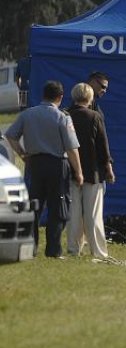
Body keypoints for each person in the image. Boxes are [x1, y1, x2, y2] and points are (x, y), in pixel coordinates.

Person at [4, 80, 83, 258]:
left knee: (34, 207)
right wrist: (78, 172)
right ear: (60, 97)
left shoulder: (28, 114)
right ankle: (53, 251)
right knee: (58, 208)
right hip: (57, 165)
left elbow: (10, 136)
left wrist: (23, 155)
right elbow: (71, 148)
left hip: (36, 165)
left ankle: (30, 248)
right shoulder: (63, 117)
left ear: (43, 95)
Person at [66, 82, 115, 258]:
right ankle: (99, 251)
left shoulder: (65, 115)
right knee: (93, 214)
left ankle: (73, 249)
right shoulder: (95, 117)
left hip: (70, 171)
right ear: (90, 97)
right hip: (92, 172)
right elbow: (103, 147)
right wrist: (108, 169)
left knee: (74, 214)